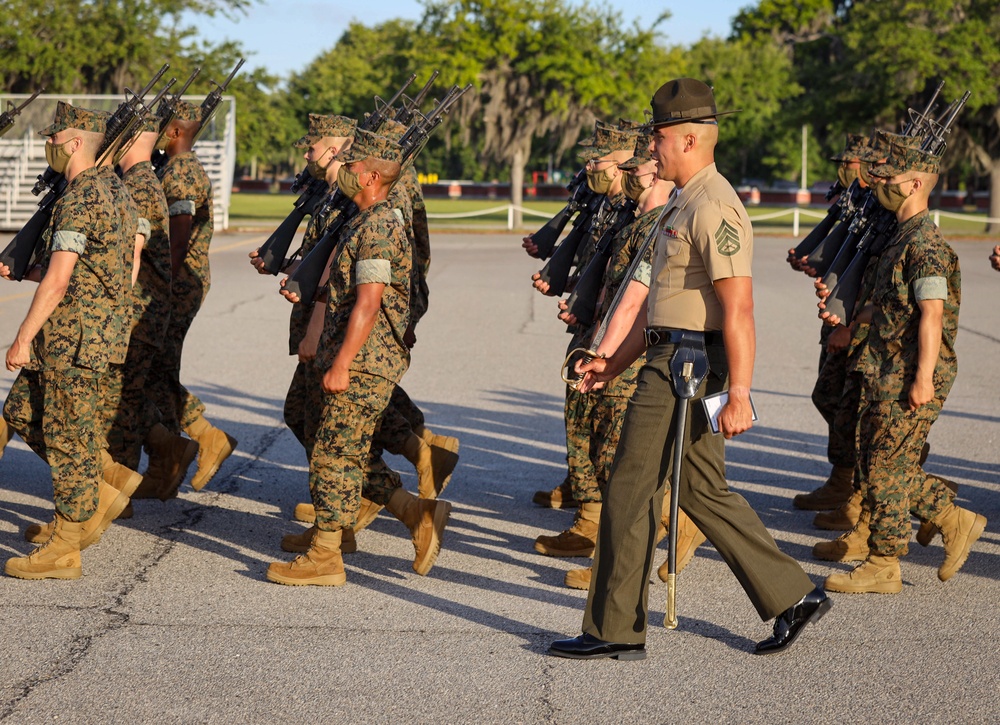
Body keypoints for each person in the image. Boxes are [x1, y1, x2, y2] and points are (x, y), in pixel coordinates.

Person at [549, 78, 830, 660]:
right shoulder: (683, 200)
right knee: (701, 488)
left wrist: (742, 391)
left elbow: (739, 308)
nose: (650, 150)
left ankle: (612, 629)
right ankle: (794, 596)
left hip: (688, 368)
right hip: (668, 355)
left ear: (689, 139)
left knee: (628, 487)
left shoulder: (714, 205)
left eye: (657, 139)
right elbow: (663, 308)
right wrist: (612, 361)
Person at [266, 130, 451, 586]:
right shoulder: (361, 219)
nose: (343, 170)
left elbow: (369, 301)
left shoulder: (381, 226)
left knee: (334, 453)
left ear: (370, 176)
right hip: (348, 354)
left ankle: (327, 555)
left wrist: (344, 361)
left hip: (366, 361)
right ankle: (407, 515)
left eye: (351, 165)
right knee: (340, 448)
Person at [819, 141, 986, 593]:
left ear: (915, 183)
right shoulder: (899, 237)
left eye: (890, 178)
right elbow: (891, 307)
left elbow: (931, 314)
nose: (881, 183)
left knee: (886, 467)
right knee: (877, 464)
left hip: (908, 371)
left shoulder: (927, 245)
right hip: (883, 365)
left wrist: (923, 377)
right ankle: (946, 521)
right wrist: (853, 319)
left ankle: (887, 560)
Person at [1, 102, 129, 579]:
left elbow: (59, 283)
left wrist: (22, 337)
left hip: (71, 338)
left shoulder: (79, 199)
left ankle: (67, 544)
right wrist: (29, 268)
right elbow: (93, 267)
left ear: (75, 143)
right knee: (21, 413)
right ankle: (101, 485)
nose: (49, 146)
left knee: (68, 438)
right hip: (93, 333)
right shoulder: (113, 191)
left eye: (55, 139)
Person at [530, 120, 635, 522]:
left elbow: (630, 280)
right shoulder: (604, 204)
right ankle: (584, 492)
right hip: (590, 324)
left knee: (605, 424)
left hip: (616, 332)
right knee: (578, 409)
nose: (590, 166)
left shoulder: (636, 210)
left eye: (599, 159)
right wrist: (570, 284)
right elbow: (599, 267)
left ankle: (597, 514)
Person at [147, 99, 236, 493]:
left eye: (163, 128)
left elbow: (179, 235)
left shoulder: (182, 171)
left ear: (177, 132)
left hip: (176, 283)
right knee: (157, 370)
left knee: (154, 370)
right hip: (175, 282)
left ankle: (205, 436)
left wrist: (162, 285)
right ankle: (165, 467)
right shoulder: (172, 167)